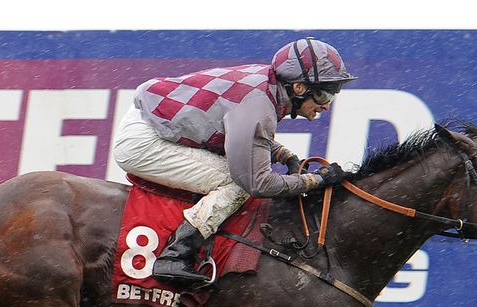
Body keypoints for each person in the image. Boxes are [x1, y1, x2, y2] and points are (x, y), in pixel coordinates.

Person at [113, 37, 356, 286]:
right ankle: (175, 256)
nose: (327, 105)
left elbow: (242, 136)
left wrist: (285, 156)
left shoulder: (266, 84)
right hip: (144, 142)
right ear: (299, 88)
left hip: (152, 123)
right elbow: (258, 184)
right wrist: (316, 179)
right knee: (236, 184)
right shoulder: (259, 105)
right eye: (326, 93)